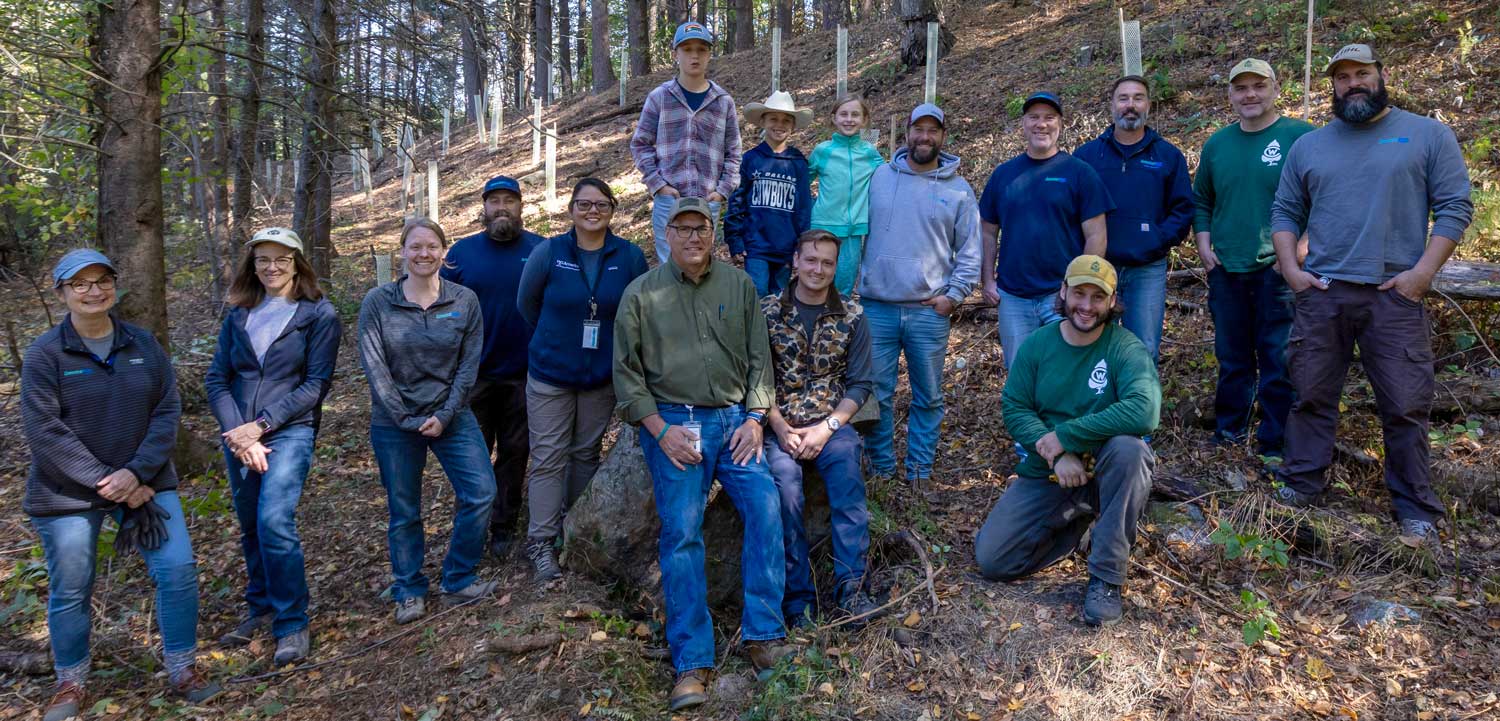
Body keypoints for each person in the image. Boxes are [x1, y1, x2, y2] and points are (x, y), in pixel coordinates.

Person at [1269, 44, 1473, 543]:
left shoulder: (1427, 135)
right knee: (1311, 394)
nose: (1353, 83)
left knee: (1405, 404)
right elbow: (1284, 211)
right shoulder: (1310, 146)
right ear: (1332, 86)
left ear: (1382, 75)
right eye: (1343, 77)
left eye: (1362, 73)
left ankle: (1414, 506)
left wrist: (1420, 276)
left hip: (1394, 295)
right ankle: (1301, 483)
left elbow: (1454, 207)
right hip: (1324, 292)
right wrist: (1291, 269)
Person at [23, 249, 220, 721]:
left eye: (102, 281)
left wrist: (136, 473)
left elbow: (166, 410)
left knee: (177, 569)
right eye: (80, 284)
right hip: (67, 492)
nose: (93, 291)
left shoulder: (143, 345)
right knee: (72, 585)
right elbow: (45, 431)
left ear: (115, 286)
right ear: (62, 293)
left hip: (146, 483)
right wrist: (107, 481)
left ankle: (181, 669)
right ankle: (70, 682)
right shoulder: (45, 354)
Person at [612, 198, 789, 711]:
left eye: (702, 228)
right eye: (683, 228)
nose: (693, 237)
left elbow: (760, 358)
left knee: (765, 508)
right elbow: (626, 374)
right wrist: (659, 429)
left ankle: (764, 636)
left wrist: (756, 419)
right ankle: (692, 661)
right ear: (667, 233)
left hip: (735, 422)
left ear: (713, 233)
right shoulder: (642, 293)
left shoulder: (739, 285)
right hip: (675, 423)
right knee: (682, 531)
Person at [974, 255, 1160, 627]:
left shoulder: (1124, 348)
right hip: (1050, 470)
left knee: (1130, 450)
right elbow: (1015, 406)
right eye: (1079, 294)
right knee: (994, 560)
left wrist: (1066, 436)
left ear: (1111, 301)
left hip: (1105, 465)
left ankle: (1107, 576)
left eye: (1097, 297)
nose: (1086, 306)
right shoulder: (1038, 345)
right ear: (1063, 292)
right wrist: (1054, 452)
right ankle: (1083, 519)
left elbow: (1144, 411)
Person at [206, 228, 341, 665]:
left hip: (289, 430)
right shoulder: (239, 314)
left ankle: (291, 623)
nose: (272, 267)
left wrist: (261, 426)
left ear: (298, 262)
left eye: (281, 259)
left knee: (275, 521)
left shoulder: (318, 314)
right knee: (250, 525)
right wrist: (238, 433)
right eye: (263, 259)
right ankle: (260, 608)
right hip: (239, 435)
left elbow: (315, 385)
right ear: (253, 264)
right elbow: (217, 379)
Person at [360, 219, 499, 624]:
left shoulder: (464, 301)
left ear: (444, 252)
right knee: (404, 508)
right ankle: (408, 587)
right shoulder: (378, 302)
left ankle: (458, 577)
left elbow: (468, 366)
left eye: (432, 246)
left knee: (480, 492)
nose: (424, 254)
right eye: (415, 247)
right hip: (393, 421)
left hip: (452, 415)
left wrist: (444, 414)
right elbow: (374, 367)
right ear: (402, 252)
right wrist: (404, 416)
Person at [516, 179, 649, 581]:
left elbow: (638, 311)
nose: (592, 211)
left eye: (601, 204)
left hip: (601, 376)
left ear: (612, 209)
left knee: (585, 453)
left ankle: (575, 532)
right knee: (548, 456)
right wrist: (558, 340)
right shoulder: (550, 252)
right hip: (549, 375)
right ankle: (540, 540)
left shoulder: (628, 256)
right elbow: (527, 304)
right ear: (571, 209)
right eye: (583, 204)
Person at [1192, 60, 1315, 457]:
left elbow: (1325, 197)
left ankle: (1274, 441)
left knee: (1278, 358)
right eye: (1240, 88)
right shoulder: (1218, 144)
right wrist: (1204, 244)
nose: (1249, 94)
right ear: (1229, 95)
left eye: (1258, 86)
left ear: (1276, 88)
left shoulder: (1301, 136)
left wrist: (1301, 248)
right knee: (1232, 356)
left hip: (1277, 269)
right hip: (1227, 267)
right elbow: (1202, 200)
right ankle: (1229, 432)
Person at [858, 102, 982, 486]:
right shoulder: (879, 177)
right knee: (876, 394)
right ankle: (882, 470)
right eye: (918, 129)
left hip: (929, 311)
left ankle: (918, 473)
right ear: (907, 133)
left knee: (927, 396)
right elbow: (852, 232)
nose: (925, 137)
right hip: (876, 306)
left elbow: (972, 251)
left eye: (933, 130)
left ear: (942, 137)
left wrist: (954, 295)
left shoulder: (958, 190)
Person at [761, 230, 879, 628]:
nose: (818, 269)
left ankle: (851, 586)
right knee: (786, 490)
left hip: (830, 425)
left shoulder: (852, 315)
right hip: (780, 425)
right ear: (795, 261)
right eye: (811, 260)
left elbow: (862, 383)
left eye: (827, 262)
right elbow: (754, 378)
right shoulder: (766, 312)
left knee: (847, 474)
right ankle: (797, 599)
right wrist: (778, 426)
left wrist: (827, 429)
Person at [441, 175, 544, 557]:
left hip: (526, 375)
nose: (502, 207)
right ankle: (470, 526)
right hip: (474, 376)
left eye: (509, 200)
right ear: (483, 208)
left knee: (516, 453)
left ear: (521, 206)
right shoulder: (461, 253)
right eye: (494, 201)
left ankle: (503, 527)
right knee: (472, 457)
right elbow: (440, 309)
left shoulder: (541, 250)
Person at [980, 91, 1112, 369]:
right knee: (1020, 372)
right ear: (1024, 125)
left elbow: (1096, 235)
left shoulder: (1079, 172)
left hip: (1062, 296)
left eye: (1049, 118)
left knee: (1067, 370)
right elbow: (988, 232)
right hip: (1014, 297)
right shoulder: (1004, 175)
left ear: (1061, 124)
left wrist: (1080, 287)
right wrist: (988, 281)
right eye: (1034, 118)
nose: (1042, 124)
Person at [1074, 76, 1194, 362]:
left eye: (1138, 98)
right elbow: (1070, 210)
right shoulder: (1088, 156)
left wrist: (1157, 240)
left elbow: (1183, 209)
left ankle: (1139, 407)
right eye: (1123, 98)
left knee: (1142, 351)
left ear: (1148, 105)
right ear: (1112, 105)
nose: (1130, 105)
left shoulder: (1167, 155)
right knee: (1092, 350)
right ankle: (1098, 407)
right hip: (1097, 269)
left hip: (1147, 270)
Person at [630, 21, 742, 263]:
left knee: (701, 265)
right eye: (687, 49)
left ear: (709, 55)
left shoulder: (723, 102)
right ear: (675, 54)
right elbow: (640, 144)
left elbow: (734, 152)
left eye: (701, 49)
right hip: (669, 199)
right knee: (669, 267)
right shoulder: (659, 97)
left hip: (707, 199)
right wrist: (659, 185)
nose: (694, 56)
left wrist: (721, 192)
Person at [726, 90, 813, 297]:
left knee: (779, 297)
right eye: (773, 118)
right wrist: (735, 240)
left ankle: (775, 331)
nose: (779, 125)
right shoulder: (750, 159)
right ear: (763, 121)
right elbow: (737, 201)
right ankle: (754, 331)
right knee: (757, 293)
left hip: (785, 247)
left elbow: (803, 209)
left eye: (785, 120)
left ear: (792, 126)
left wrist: (801, 247)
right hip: (756, 245)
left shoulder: (798, 162)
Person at [808, 95, 885, 295]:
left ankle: (837, 323)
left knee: (844, 284)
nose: (849, 119)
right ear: (834, 118)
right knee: (817, 278)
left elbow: (886, 182)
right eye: (843, 114)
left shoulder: (869, 152)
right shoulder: (822, 151)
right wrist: (810, 208)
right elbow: (801, 183)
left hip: (854, 229)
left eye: (855, 115)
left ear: (864, 120)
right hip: (823, 226)